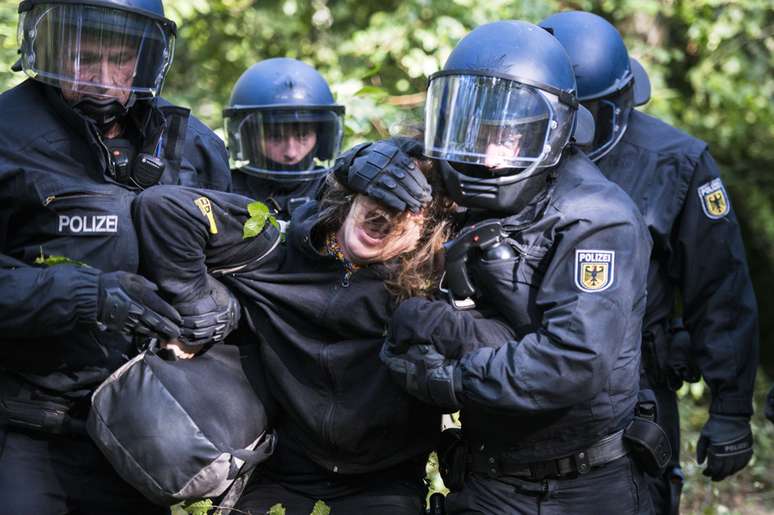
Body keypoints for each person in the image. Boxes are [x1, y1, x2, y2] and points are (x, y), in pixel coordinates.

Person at [356, 20, 654, 513]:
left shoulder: (597, 218)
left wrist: (450, 380)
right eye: (478, 132)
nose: (490, 157)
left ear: (553, 131)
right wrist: (362, 166)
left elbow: (572, 362)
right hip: (488, 475)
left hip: (582, 486)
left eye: (510, 135)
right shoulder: (457, 185)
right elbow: (326, 233)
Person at [132, 159, 516, 514]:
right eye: (382, 195)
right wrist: (200, 306)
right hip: (281, 469)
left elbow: (506, 340)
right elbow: (163, 206)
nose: (389, 213)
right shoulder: (278, 250)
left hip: (385, 482)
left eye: (408, 210)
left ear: (425, 232)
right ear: (354, 195)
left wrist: (432, 328)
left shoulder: (432, 289)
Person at [0, 0, 234, 513]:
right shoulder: (6, 136)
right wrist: (87, 295)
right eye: (84, 58)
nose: (102, 81)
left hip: (150, 437)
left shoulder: (191, 145)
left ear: (145, 58)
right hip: (28, 430)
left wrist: (222, 307)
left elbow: (243, 267)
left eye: (120, 59)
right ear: (47, 47)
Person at [540, 11, 759, 514]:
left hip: (633, 395)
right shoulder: (508, 153)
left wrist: (730, 409)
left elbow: (720, 289)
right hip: (523, 386)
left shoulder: (675, 163)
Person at [223, 58, 345, 219]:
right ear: (247, 139)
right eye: (275, 137)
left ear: (324, 138)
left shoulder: (337, 193)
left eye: (302, 136)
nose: (291, 152)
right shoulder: (225, 193)